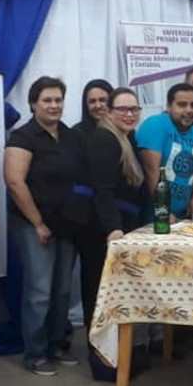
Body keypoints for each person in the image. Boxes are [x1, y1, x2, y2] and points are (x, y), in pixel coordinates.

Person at [5, 77, 88, 376]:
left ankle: (56, 345)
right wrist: (38, 223)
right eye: (47, 100)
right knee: (39, 291)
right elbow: (14, 182)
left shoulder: (70, 135)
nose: (54, 106)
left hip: (66, 225)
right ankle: (35, 354)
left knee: (63, 291)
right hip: (33, 224)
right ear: (32, 104)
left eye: (58, 100)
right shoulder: (23, 136)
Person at [82, 87, 151, 379]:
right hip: (103, 229)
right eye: (122, 109)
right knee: (100, 296)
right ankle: (103, 365)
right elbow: (103, 190)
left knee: (116, 295)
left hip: (121, 224)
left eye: (134, 109)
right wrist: (113, 229)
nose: (129, 114)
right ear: (109, 112)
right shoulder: (104, 139)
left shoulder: (125, 138)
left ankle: (118, 358)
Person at [71, 79, 119, 353]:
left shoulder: (121, 132)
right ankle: (96, 344)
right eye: (93, 101)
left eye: (104, 99)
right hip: (90, 222)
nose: (99, 105)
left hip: (114, 218)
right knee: (94, 285)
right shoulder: (79, 134)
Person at [136, 83, 193, 220]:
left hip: (182, 217)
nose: (189, 110)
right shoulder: (155, 125)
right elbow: (151, 174)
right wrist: (164, 211)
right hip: (154, 217)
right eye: (182, 105)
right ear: (168, 106)